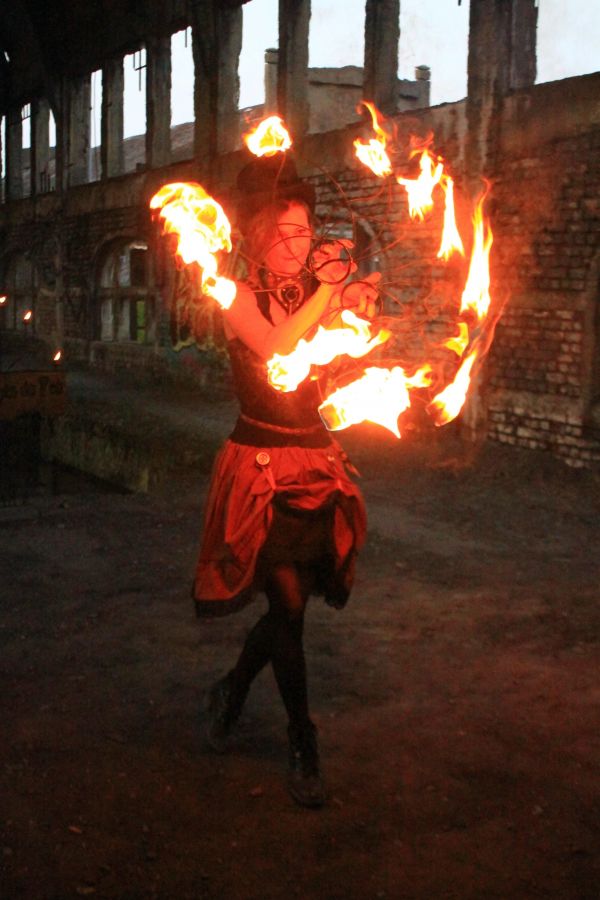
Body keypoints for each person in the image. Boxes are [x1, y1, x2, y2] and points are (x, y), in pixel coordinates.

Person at [193, 151, 378, 808]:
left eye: (302, 231)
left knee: (286, 611)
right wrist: (330, 293)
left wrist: (356, 301)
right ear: (253, 240)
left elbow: (336, 349)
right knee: (290, 606)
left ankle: (233, 691)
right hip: (260, 469)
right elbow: (278, 351)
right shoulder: (235, 294)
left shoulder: (311, 293)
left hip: (315, 464)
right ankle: (303, 737)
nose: (294, 243)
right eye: (280, 232)